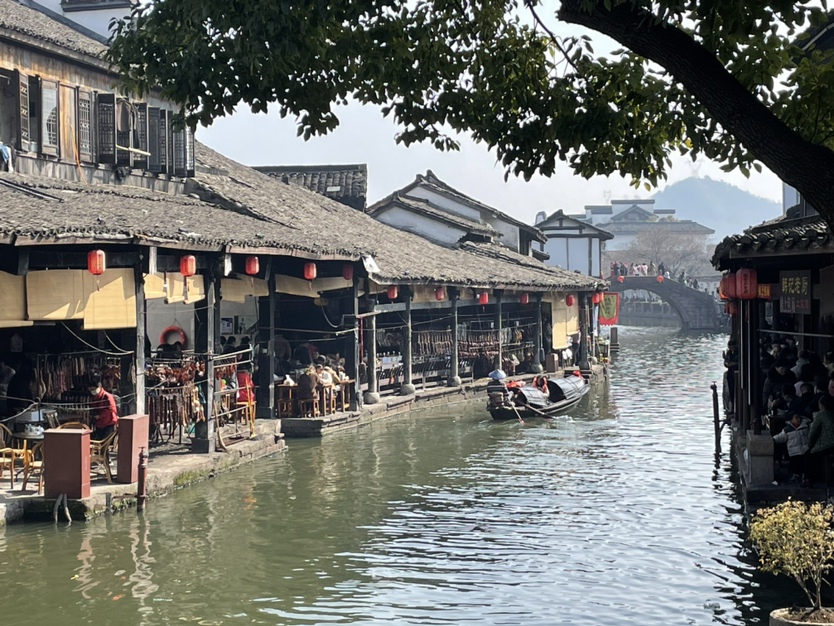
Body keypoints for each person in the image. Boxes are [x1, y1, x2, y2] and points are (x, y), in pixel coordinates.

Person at [803, 394, 834, 487]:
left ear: (822, 405)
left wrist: (810, 445)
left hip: (828, 444)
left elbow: (813, 432)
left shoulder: (820, 415)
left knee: (809, 455)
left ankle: (808, 479)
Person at [773, 413, 811, 482]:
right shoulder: (787, 430)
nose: (798, 419)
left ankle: (804, 476)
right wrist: (773, 439)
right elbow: (780, 437)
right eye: (796, 418)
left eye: (798, 417)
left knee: (804, 463)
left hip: (804, 449)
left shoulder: (805, 426)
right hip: (793, 451)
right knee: (794, 463)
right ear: (791, 420)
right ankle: (796, 475)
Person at [87, 373, 118, 441]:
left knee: (105, 442)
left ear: (99, 387)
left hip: (108, 423)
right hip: (99, 424)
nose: (92, 391)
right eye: (90, 390)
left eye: (93, 389)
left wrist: (100, 416)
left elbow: (111, 410)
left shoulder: (107, 396)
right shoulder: (94, 398)